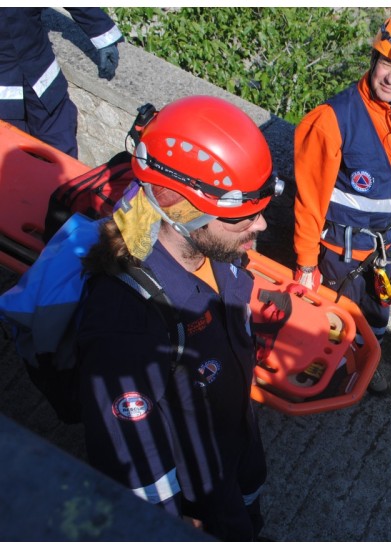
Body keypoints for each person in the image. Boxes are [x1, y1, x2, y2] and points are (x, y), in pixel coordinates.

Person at [76, 96, 281, 541]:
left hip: (235, 449)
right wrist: (165, 524)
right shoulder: (127, 325)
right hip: (200, 495)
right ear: (184, 209)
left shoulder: (219, 254)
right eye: (243, 216)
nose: (261, 226)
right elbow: (131, 456)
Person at [292, 12, 391, 394]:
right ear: (373, 58)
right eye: (386, 63)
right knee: (330, 325)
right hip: (337, 255)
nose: (390, 78)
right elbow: (309, 200)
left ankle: (365, 368)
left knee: (376, 319)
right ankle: (320, 380)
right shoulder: (334, 119)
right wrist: (304, 263)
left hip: (383, 254)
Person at [0, 7, 123, 158]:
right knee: (15, 167)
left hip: (43, 81)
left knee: (63, 158)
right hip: (10, 98)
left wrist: (103, 34)